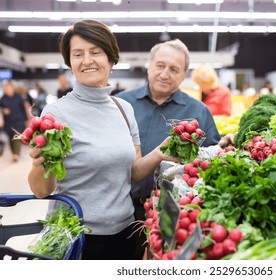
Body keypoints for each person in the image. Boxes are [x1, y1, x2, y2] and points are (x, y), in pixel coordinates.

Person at [27, 19, 177, 260]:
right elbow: (41, 190)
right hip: (77, 235)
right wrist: (39, 163)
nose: (86, 60)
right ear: (70, 63)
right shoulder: (55, 114)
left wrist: (159, 152)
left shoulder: (123, 109)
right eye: (77, 54)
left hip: (125, 231)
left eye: (95, 52)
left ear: (110, 57)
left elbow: (132, 172)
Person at [117, 39, 221, 220]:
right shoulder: (121, 104)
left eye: (174, 69)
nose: (165, 74)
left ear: (183, 75)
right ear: (149, 66)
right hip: (122, 211)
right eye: (160, 66)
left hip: (175, 214)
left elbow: (213, 161)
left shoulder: (199, 111)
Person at [0, 80, 28, 162]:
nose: (8, 89)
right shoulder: (3, 99)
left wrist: (25, 119)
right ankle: (14, 153)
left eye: (9, 88)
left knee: (17, 137)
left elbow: (23, 108)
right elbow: (0, 109)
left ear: (12, 88)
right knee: (10, 138)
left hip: (18, 120)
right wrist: (3, 111)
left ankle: (16, 154)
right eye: (6, 88)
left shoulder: (18, 97)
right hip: (8, 122)